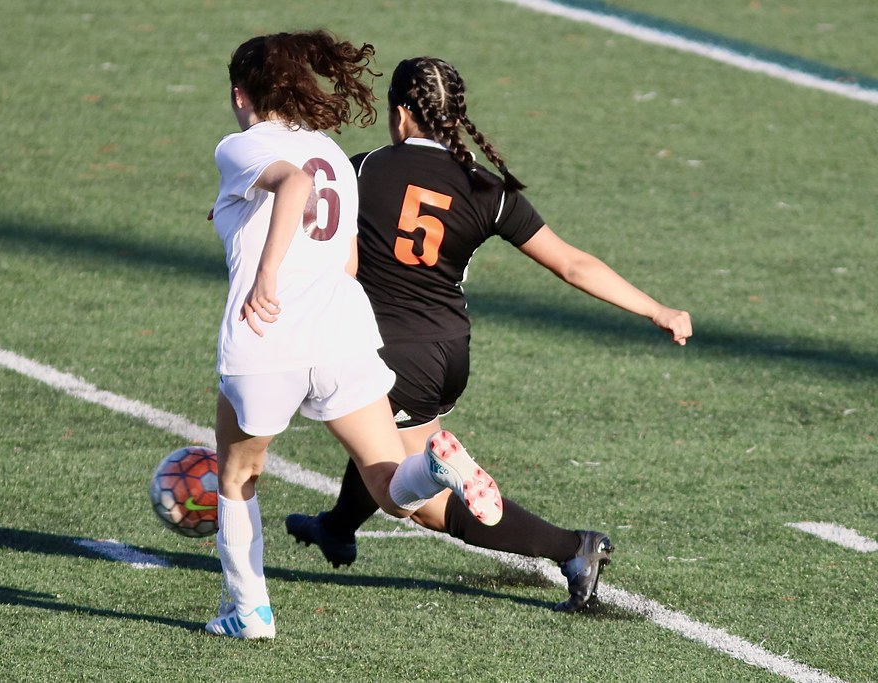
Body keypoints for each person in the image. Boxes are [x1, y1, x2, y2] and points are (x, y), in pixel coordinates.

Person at [286, 56, 693, 613]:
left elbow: (317, 234)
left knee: (420, 498)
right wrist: (658, 309)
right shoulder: (486, 187)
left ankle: (572, 548)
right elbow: (572, 264)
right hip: (447, 351)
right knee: (378, 434)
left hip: (391, 352)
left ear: (402, 114)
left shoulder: (363, 169)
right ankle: (336, 527)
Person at [206, 36, 506, 640]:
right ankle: (435, 466)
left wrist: (266, 276)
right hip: (342, 331)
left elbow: (291, 187)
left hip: (266, 339)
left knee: (238, 475)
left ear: (241, 94)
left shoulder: (239, 145)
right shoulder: (335, 155)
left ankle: (249, 611)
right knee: (391, 486)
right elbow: (343, 263)